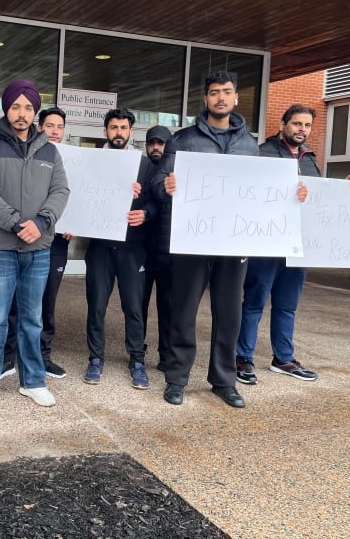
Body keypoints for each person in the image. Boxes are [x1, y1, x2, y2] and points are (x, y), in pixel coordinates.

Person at [235, 104, 350, 385]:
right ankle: (242, 357)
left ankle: (283, 359)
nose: (301, 130)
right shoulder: (263, 152)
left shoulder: (310, 157)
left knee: (287, 305)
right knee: (254, 302)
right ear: (284, 124)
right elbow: (250, 195)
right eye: (296, 124)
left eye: (306, 125)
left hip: (299, 245)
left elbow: (322, 199)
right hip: (267, 243)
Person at [152, 70, 260, 408]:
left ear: (236, 98)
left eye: (227, 92)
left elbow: (261, 190)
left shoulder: (249, 144)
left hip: (233, 241)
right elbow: (158, 180)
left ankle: (224, 380)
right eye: (214, 92)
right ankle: (177, 379)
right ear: (205, 99)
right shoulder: (182, 140)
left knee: (229, 313)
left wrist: (293, 193)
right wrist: (164, 186)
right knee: (183, 311)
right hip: (193, 240)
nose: (221, 98)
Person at [0, 79, 70, 410]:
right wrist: (15, 223)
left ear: (35, 111)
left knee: (32, 319)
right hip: (0, 246)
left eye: (28, 107)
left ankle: (33, 381)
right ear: (6, 109)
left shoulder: (50, 151)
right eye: (16, 106)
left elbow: (60, 192)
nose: (22, 113)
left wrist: (41, 223)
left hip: (38, 249)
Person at [83, 108, 156, 390]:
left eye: (124, 128)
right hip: (100, 246)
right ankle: (95, 358)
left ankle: (137, 359)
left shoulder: (144, 165)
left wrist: (144, 213)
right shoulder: (92, 162)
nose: (118, 133)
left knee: (133, 306)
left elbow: (155, 201)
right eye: (113, 128)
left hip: (132, 246)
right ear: (105, 131)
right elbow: (78, 196)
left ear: (130, 132)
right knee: (96, 305)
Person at [1, 107, 71, 380]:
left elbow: (69, 197)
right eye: (50, 125)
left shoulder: (71, 160)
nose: (54, 130)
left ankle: (43, 357)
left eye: (60, 126)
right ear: (39, 127)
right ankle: (8, 358)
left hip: (56, 242)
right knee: (14, 303)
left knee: (46, 303)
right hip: (23, 236)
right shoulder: (32, 156)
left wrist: (75, 225)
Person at [142, 125, 173, 371]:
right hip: (141, 250)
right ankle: (137, 350)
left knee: (168, 306)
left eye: (160, 143)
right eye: (151, 143)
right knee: (137, 305)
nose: (156, 147)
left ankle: (166, 354)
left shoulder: (178, 173)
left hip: (169, 252)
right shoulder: (139, 169)